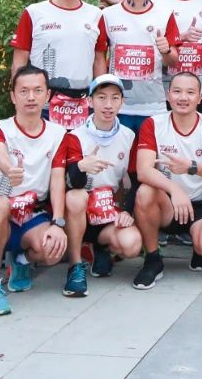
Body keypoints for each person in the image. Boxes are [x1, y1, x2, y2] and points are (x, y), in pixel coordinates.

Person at [132, 73, 202, 288]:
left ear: (199, 97)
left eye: (190, 92)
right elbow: (143, 170)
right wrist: (174, 189)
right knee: (145, 191)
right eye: (177, 91)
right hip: (169, 203)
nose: (183, 97)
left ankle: (198, 246)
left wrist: (191, 167)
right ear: (168, 95)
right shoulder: (153, 124)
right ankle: (153, 259)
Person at [0, 66, 74, 317]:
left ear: (47, 95)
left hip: (32, 215)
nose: (31, 97)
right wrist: (9, 169)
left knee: (53, 250)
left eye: (37, 90)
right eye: (24, 91)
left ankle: (21, 262)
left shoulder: (58, 134)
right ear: (13, 96)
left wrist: (58, 223)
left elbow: (57, 179)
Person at [58, 73, 143, 296]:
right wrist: (81, 167)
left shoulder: (129, 136)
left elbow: (136, 179)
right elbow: (69, 183)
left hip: (107, 212)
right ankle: (75, 265)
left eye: (115, 98)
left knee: (132, 245)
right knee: (76, 196)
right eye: (102, 97)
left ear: (122, 102)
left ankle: (101, 247)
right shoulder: (74, 136)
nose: (108, 105)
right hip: (77, 212)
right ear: (89, 101)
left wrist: (127, 211)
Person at [11, 0, 106, 129]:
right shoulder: (34, 13)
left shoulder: (96, 15)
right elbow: (19, 60)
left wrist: (101, 97)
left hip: (82, 104)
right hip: (42, 104)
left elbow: (99, 59)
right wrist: (19, 97)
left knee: (80, 147)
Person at [95, 0, 180, 134]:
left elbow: (173, 61)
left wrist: (166, 51)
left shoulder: (165, 14)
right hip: (117, 107)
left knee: (150, 152)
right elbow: (99, 56)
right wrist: (101, 95)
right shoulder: (108, 15)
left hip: (153, 106)